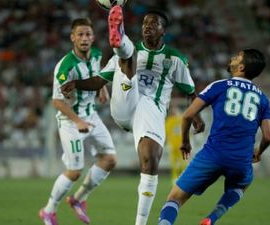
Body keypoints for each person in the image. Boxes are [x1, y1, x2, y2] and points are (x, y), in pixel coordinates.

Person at [61, 6, 204, 225]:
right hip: (124, 104)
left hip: (151, 111)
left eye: (153, 23)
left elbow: (190, 92)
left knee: (149, 161)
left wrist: (196, 116)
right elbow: (99, 81)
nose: (147, 26)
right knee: (127, 62)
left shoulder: (175, 59)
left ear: (163, 31)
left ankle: (140, 223)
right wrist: (76, 83)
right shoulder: (138, 51)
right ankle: (120, 38)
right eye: (145, 22)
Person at [157, 49, 270, 225]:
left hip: (212, 155)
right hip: (241, 160)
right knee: (243, 184)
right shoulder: (263, 99)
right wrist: (259, 151)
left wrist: (185, 142)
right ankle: (211, 219)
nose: (232, 57)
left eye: (237, 57)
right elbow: (269, 136)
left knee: (174, 198)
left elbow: (188, 115)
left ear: (241, 67)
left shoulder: (220, 86)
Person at [39, 18, 117, 225]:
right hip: (70, 121)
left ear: (93, 37)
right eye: (80, 34)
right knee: (74, 171)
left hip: (91, 115)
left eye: (88, 34)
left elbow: (97, 74)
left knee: (109, 159)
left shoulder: (97, 54)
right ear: (72, 37)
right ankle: (48, 211)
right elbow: (56, 101)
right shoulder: (65, 66)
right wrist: (78, 121)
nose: (84, 38)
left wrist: (102, 88)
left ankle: (78, 199)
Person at [165, 105, 188, 184]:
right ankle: (175, 178)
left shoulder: (178, 119)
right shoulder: (174, 120)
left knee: (182, 162)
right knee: (174, 163)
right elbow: (167, 133)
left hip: (180, 144)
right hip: (173, 145)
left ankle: (182, 177)